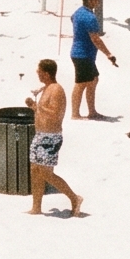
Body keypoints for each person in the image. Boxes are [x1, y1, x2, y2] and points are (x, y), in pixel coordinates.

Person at [28, 58, 87, 217]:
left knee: (46, 173)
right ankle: (36, 207)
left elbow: (55, 114)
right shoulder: (46, 88)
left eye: (39, 71)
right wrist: (33, 106)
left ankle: (75, 198)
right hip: (40, 135)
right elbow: (42, 112)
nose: (37, 74)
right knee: (35, 170)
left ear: (46, 73)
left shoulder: (56, 90)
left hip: (50, 137)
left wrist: (38, 106)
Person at [72, 0, 115, 119]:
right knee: (81, 84)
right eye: (96, 0)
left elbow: (73, 19)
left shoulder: (78, 12)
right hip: (83, 54)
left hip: (81, 53)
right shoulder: (90, 17)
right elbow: (95, 39)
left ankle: (92, 112)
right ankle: (75, 114)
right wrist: (108, 54)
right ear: (89, 0)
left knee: (93, 80)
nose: (98, 2)